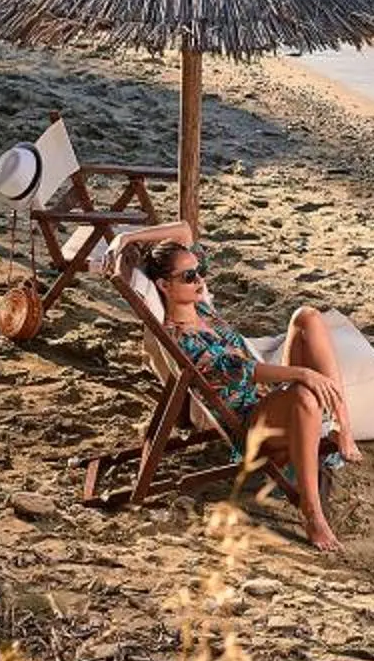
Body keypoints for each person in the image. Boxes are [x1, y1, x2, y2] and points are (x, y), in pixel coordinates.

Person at [129, 231, 361, 551]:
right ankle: (311, 512)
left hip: (271, 397)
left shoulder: (201, 308)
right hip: (249, 422)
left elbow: (183, 230)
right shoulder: (183, 340)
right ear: (163, 286)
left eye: (200, 270)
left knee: (307, 317)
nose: (200, 280)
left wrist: (124, 242)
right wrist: (303, 373)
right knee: (304, 394)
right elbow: (243, 369)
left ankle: (341, 425)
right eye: (189, 276)